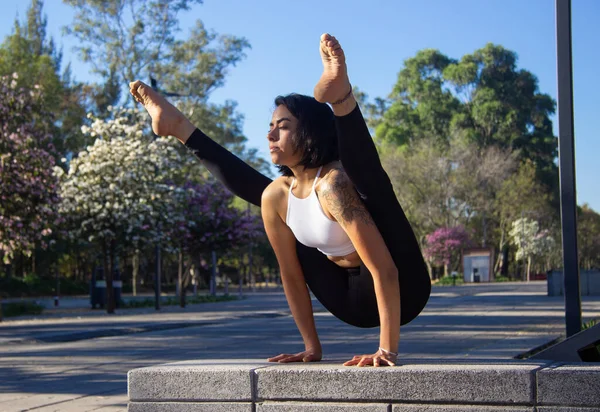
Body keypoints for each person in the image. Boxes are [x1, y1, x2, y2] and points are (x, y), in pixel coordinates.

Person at [129, 33, 431, 367]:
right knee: (271, 195)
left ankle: (341, 98)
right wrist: (311, 347)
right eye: (270, 125)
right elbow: (291, 275)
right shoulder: (277, 196)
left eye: (283, 126)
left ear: (311, 133)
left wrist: (386, 350)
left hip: (405, 287)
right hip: (350, 302)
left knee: (368, 187)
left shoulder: (334, 183)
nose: (270, 134)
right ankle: (178, 126)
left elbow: (385, 269)